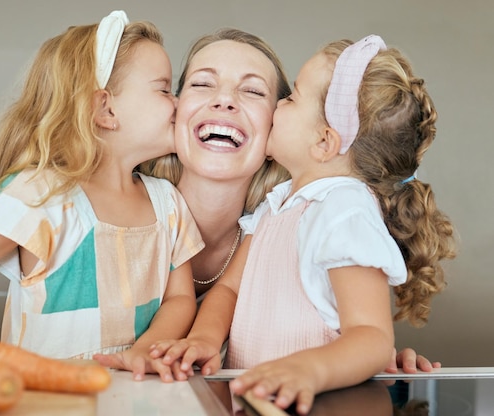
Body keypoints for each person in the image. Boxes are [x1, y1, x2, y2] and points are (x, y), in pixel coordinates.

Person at [0, 11, 204, 375]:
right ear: (105, 109)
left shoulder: (168, 202)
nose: (179, 103)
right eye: (164, 89)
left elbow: (180, 298)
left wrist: (144, 350)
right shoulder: (41, 194)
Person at [95, 28, 441, 379]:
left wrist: (365, 362)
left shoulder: (326, 212)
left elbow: (365, 335)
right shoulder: (109, 219)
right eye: (201, 84)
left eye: (254, 91)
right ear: (173, 107)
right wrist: (203, 339)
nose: (225, 101)